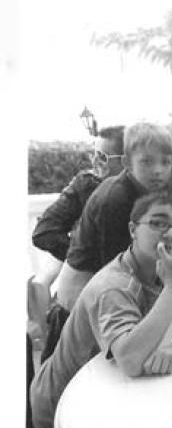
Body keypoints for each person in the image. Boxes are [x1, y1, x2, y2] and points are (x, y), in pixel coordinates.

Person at [29, 191, 172, 428]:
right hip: (64, 406)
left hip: (111, 389)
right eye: (158, 223)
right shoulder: (114, 287)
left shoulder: (162, 265)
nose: (170, 234)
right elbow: (131, 361)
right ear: (133, 230)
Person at [45, 123, 172, 361]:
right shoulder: (116, 199)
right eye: (147, 162)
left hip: (100, 299)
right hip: (78, 305)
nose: (158, 170)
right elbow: (116, 269)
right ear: (128, 163)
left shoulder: (144, 190)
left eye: (165, 162)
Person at [30, 126, 125, 355]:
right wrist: (84, 256)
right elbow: (44, 232)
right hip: (79, 295)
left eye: (102, 156)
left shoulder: (143, 194)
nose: (94, 161)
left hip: (124, 295)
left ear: (127, 161)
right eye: (94, 154)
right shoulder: (86, 185)